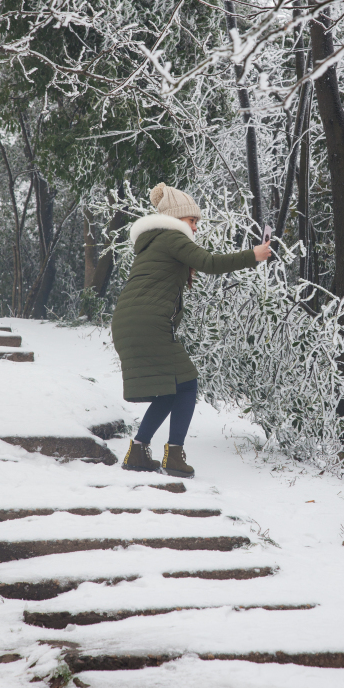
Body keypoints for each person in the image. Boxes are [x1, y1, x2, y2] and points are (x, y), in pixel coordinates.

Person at [112, 183, 272, 478]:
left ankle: (138, 451)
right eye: (192, 221)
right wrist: (254, 255)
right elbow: (210, 262)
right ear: (175, 218)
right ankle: (173, 456)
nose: (196, 228)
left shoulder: (154, 242)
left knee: (170, 390)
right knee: (186, 384)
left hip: (129, 323)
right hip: (148, 324)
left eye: (197, 222)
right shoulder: (172, 236)